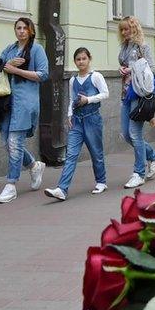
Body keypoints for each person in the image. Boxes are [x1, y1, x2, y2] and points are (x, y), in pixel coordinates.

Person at [0, 17, 49, 204]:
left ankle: (11, 185)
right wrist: (8, 65)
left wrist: (17, 71)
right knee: (6, 142)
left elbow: (43, 75)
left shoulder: (36, 49)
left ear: (31, 30)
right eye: (18, 28)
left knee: (15, 142)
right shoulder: (9, 49)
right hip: (7, 102)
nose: (22, 31)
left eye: (25, 28)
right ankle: (34, 165)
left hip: (25, 102)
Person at [44, 47, 108, 201]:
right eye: (78, 59)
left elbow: (105, 93)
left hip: (92, 119)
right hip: (77, 122)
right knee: (71, 155)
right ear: (75, 61)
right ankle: (62, 189)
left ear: (89, 59)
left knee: (96, 152)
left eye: (83, 58)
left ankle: (101, 182)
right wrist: (69, 115)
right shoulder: (73, 80)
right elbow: (72, 99)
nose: (81, 62)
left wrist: (89, 99)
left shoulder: (96, 76)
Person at [118, 16, 155, 188]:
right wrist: (122, 69)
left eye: (126, 29)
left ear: (134, 28)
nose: (123, 32)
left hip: (139, 94)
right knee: (126, 134)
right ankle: (154, 156)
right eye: (121, 29)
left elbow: (151, 69)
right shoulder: (124, 46)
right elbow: (124, 64)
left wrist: (132, 69)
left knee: (135, 133)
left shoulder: (143, 46)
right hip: (125, 94)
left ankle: (139, 173)